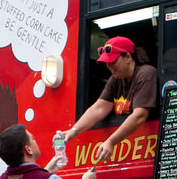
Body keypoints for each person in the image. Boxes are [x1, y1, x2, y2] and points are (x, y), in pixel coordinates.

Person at [61, 36, 156, 164]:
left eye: (113, 61)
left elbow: (140, 115)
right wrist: (74, 131)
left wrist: (111, 141)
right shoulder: (115, 79)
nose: (109, 66)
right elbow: (99, 108)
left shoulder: (146, 74)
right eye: (107, 62)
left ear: (128, 57)